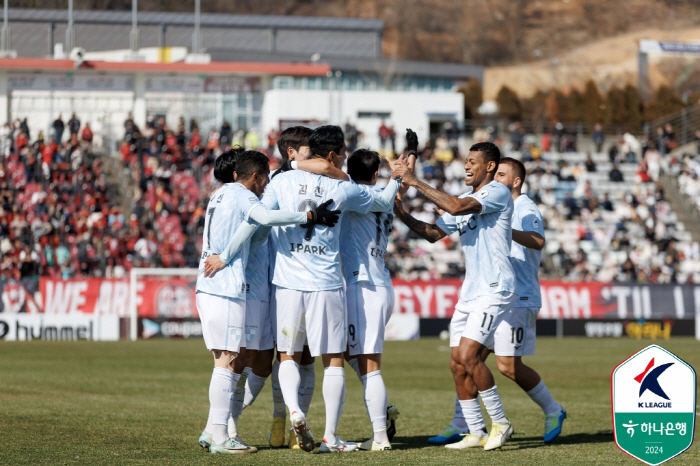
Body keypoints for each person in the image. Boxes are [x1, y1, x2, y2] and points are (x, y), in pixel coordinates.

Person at [261, 125, 401, 453]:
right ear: (335, 154)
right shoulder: (344, 186)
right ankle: (330, 436)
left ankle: (295, 411)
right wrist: (396, 177)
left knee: (288, 356)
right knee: (334, 360)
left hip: (287, 281)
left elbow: (264, 216)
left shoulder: (279, 180)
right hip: (327, 281)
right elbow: (382, 200)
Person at [195, 149, 340, 454]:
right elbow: (262, 215)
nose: (264, 189)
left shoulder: (219, 194)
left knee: (227, 361)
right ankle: (221, 436)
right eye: (263, 182)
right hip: (226, 287)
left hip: (209, 286)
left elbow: (252, 230)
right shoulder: (243, 195)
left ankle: (213, 430)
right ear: (257, 177)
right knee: (228, 362)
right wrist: (308, 216)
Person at [390, 140, 516, 451]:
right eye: (466, 161)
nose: (467, 166)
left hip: (495, 288)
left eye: (474, 161)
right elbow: (433, 234)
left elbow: (457, 207)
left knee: (468, 357)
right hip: (471, 292)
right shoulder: (467, 200)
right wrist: (401, 213)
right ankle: (475, 431)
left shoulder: (496, 191)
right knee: (457, 365)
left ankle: (501, 423)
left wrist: (414, 180)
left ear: (490, 167)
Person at [442, 158, 566, 449]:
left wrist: (503, 230)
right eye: (494, 173)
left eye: (502, 174)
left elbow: (537, 240)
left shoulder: (524, 207)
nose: (495, 178)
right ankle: (469, 426)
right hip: (494, 294)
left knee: (507, 366)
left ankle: (553, 409)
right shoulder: (490, 202)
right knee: (465, 360)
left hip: (519, 295)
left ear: (516, 181)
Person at [341, 148, 402, 451]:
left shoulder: (352, 194)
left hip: (363, 285)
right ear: (376, 173)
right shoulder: (383, 193)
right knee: (350, 355)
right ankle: (385, 407)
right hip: (379, 283)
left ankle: (380, 437)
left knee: (369, 364)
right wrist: (401, 171)